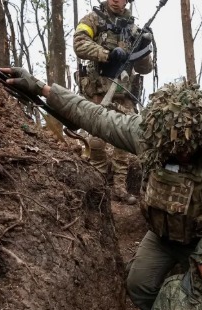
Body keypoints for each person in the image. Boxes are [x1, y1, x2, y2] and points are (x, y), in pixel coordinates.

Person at [1, 69, 202, 310]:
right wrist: (40, 88)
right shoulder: (147, 137)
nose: (178, 155)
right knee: (138, 286)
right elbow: (94, 116)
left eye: (185, 152)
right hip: (162, 235)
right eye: (172, 149)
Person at [74, 0, 153, 204]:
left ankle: (119, 187)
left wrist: (144, 47)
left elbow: (145, 68)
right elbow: (79, 43)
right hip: (99, 90)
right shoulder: (94, 19)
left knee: (124, 142)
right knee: (97, 138)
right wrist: (107, 54)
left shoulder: (134, 28)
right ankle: (97, 183)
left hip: (124, 93)